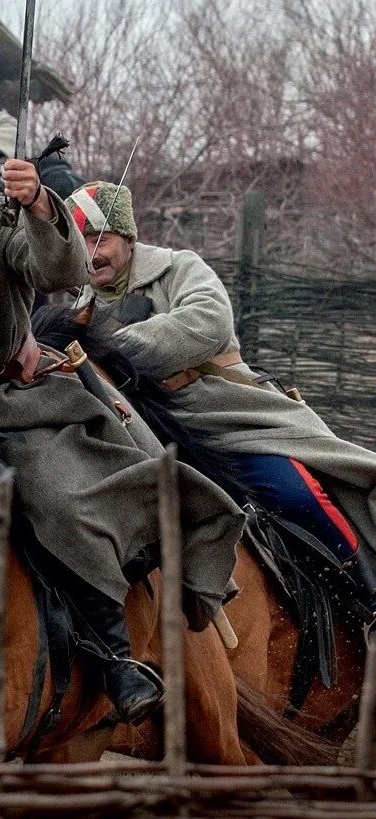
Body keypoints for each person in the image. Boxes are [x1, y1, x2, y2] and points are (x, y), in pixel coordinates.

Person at [0, 105, 246, 723]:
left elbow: (62, 270)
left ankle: (113, 658)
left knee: (60, 500)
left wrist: (38, 208)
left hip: (8, 404)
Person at [68, 181, 376, 611]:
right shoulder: (79, 307)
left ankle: (367, 594)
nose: (89, 252)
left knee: (296, 495)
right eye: (78, 241)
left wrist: (113, 349)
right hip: (145, 435)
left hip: (226, 418)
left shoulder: (179, 269)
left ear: (129, 237)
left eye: (99, 239)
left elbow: (206, 322)